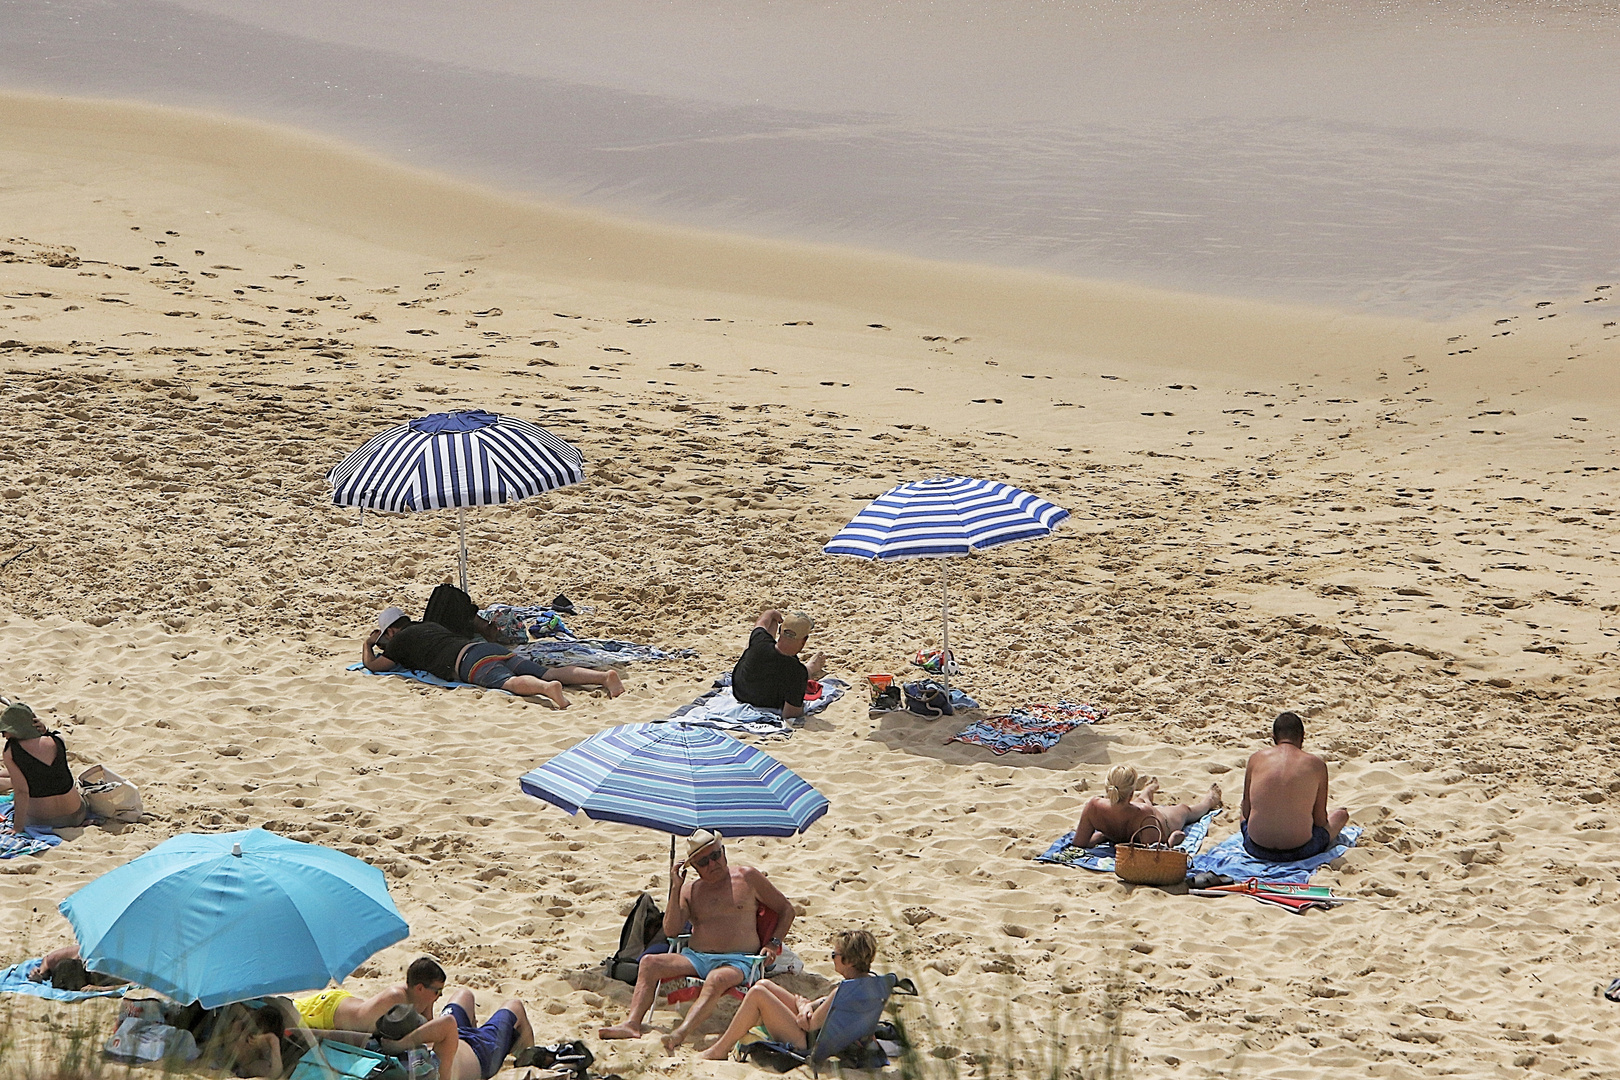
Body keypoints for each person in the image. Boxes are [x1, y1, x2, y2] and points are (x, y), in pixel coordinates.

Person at [599, 829, 796, 1051]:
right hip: (697, 957)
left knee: (717, 979)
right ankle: (632, 1023)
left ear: (724, 852)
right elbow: (671, 931)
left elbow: (786, 909)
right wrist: (676, 888)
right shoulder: (690, 890)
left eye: (715, 855)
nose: (713, 864)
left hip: (740, 960)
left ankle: (681, 1033)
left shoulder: (747, 877)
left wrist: (774, 943)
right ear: (693, 867)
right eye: (704, 861)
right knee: (648, 963)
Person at [362, 608, 623, 708]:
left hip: (468, 663)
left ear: (392, 631)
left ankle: (546, 690)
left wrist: (369, 643)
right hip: (487, 649)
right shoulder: (429, 626)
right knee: (548, 671)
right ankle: (604, 677)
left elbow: (373, 666)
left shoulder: (399, 641)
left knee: (509, 682)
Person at [697, 929, 876, 1061]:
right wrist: (810, 1006)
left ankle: (720, 1050)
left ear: (849, 961)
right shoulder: (873, 984)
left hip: (807, 1044)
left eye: (834, 954)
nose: (832, 958)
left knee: (758, 993)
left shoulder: (842, 991)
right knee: (763, 984)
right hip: (829, 1036)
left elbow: (807, 1024)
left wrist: (802, 1007)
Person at [1240, 711, 1351, 862]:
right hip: (1300, 850)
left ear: (1273, 738)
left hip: (1255, 847)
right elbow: (1320, 820)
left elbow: (1246, 810)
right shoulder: (1316, 765)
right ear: (1302, 737)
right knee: (1341, 814)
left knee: (1243, 810)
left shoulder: (1255, 759)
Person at [1070, 765, 1222, 848]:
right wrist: (1173, 840)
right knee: (1184, 809)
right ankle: (1208, 801)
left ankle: (1146, 793)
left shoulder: (1093, 806)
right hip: (1164, 823)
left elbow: (1079, 844)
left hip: (1138, 815)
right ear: (1130, 792)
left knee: (1139, 804)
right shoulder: (1145, 814)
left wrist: (1101, 836)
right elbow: (1155, 856)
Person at [291, 956, 447, 1034]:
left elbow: (428, 1027)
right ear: (420, 988)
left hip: (342, 1005)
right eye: (437, 991)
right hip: (327, 1011)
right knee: (286, 1010)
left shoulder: (421, 997)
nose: (440, 995)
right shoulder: (396, 998)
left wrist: (431, 1001)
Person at [1, 698, 86, 833]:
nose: (4, 735)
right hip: (77, 815)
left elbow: (22, 792)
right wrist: (45, 729)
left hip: (42, 820)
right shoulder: (58, 740)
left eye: (4, 731)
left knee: (20, 782)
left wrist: (17, 828)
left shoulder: (11, 751)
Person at [731, 610, 827, 719]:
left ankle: (810, 667)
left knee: (769, 625)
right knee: (797, 673)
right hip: (765, 702)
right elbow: (791, 715)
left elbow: (761, 623)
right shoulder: (797, 673)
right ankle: (811, 668)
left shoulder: (760, 641)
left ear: (780, 631)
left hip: (739, 690)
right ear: (804, 640)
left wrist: (771, 613)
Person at [26, 944, 127, 991]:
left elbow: (133, 984)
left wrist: (100, 989)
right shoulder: (86, 951)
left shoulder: (121, 965)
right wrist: (40, 973)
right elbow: (48, 960)